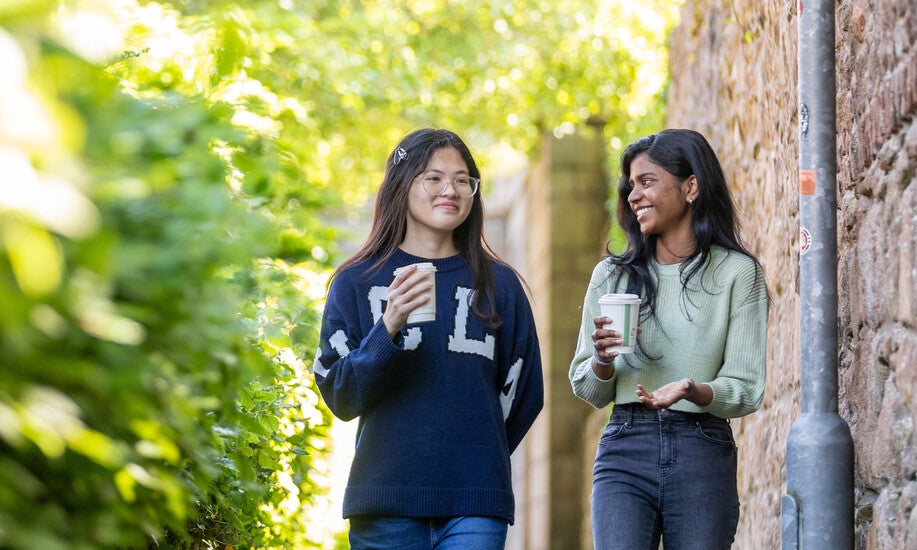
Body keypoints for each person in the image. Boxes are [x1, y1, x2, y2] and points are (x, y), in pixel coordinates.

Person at [313, 128, 543, 549]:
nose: (450, 190)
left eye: (462, 180)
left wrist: (476, 455)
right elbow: (341, 395)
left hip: (475, 502)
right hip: (384, 501)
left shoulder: (501, 285)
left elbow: (526, 392)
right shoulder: (355, 282)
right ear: (402, 185)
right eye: (433, 178)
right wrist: (388, 326)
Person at [568, 129, 767, 549]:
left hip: (702, 446)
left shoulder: (738, 273)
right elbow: (588, 388)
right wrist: (602, 361)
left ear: (691, 187)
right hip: (625, 446)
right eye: (630, 185)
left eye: (647, 181)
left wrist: (695, 390)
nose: (633, 196)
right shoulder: (612, 276)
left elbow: (746, 389)